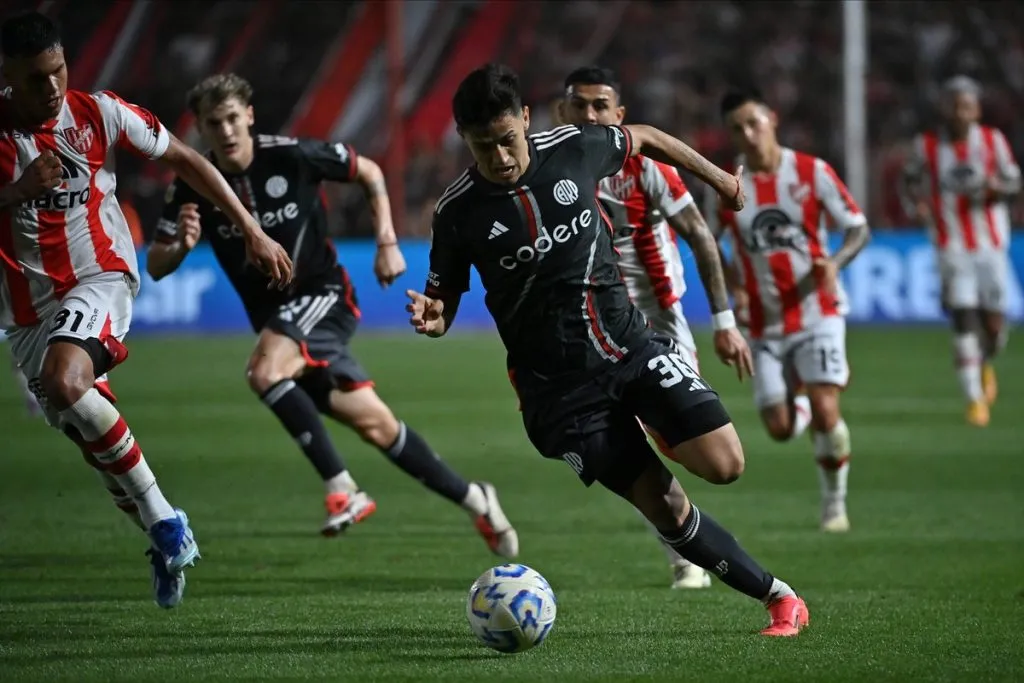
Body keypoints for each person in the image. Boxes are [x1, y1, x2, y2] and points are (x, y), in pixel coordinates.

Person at [406, 63, 809, 637]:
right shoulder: (457, 212)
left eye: (506, 140)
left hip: (630, 346)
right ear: (463, 140)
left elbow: (643, 135)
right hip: (560, 395)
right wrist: (433, 315)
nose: (499, 157)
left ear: (525, 119)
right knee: (665, 506)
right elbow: (443, 300)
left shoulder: (574, 147)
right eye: (482, 146)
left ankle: (651, 426)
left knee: (726, 465)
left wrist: (719, 177)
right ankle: (780, 599)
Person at [147, 73, 518, 556]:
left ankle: (343, 486)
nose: (226, 131)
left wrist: (386, 240)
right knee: (377, 426)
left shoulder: (292, 155)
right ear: (199, 126)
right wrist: (180, 246)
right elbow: (155, 264)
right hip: (279, 323)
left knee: (262, 371)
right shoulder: (192, 184)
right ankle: (477, 499)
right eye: (214, 123)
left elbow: (370, 172)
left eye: (234, 118)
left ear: (250, 116)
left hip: (323, 298)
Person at [0, 12, 292, 608]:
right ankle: (161, 539)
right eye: (36, 79)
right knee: (90, 434)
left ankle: (164, 522)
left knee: (64, 380)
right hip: (26, 313)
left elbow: (187, 159)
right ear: (7, 77)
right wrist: (14, 192)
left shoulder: (99, 113)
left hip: (99, 276)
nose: (53, 88)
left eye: (58, 71)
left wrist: (251, 230)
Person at [559, 66, 752, 590]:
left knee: (702, 450)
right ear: (562, 112)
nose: (591, 116)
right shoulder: (551, 169)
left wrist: (725, 322)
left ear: (620, 117)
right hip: (596, 330)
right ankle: (684, 553)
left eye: (602, 106)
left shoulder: (645, 168)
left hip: (660, 323)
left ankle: (686, 535)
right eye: (580, 105)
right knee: (633, 446)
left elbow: (698, 234)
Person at [707, 87, 870, 533]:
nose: (748, 133)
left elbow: (858, 227)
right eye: (737, 128)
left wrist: (834, 264)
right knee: (778, 428)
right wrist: (733, 285)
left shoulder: (811, 172)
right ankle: (804, 398)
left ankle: (834, 506)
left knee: (826, 409)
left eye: (753, 122)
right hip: (762, 321)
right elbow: (707, 242)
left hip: (818, 310)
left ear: (772, 118)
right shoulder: (728, 186)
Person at [901, 76, 1020, 427]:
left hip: (991, 246)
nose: (960, 111)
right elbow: (908, 181)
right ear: (944, 108)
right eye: (954, 104)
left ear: (977, 110)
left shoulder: (992, 141)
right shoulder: (926, 145)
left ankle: (985, 362)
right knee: (964, 318)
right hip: (950, 246)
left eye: (966, 105)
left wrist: (999, 188)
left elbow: (1014, 180)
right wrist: (916, 207)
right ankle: (974, 400)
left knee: (995, 326)